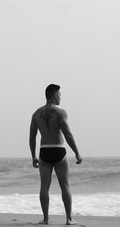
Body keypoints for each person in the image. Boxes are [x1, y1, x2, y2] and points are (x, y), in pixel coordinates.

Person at [29, 84, 82, 225]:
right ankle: (69, 219)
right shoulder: (60, 113)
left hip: (44, 150)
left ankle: (46, 219)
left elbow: (32, 137)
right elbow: (68, 134)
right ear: (53, 95)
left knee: (44, 187)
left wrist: (33, 156)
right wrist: (77, 152)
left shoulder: (36, 114)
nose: (60, 97)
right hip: (58, 149)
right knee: (65, 185)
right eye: (59, 95)